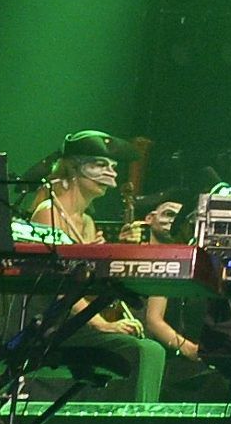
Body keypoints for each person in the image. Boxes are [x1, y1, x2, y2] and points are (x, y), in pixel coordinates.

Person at [18, 132, 169, 400]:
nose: (111, 173)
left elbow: (90, 285)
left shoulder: (87, 222)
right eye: (100, 164)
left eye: (113, 166)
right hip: (51, 324)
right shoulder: (49, 213)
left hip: (77, 322)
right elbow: (58, 285)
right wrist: (102, 324)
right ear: (75, 168)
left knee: (149, 348)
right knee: (144, 350)